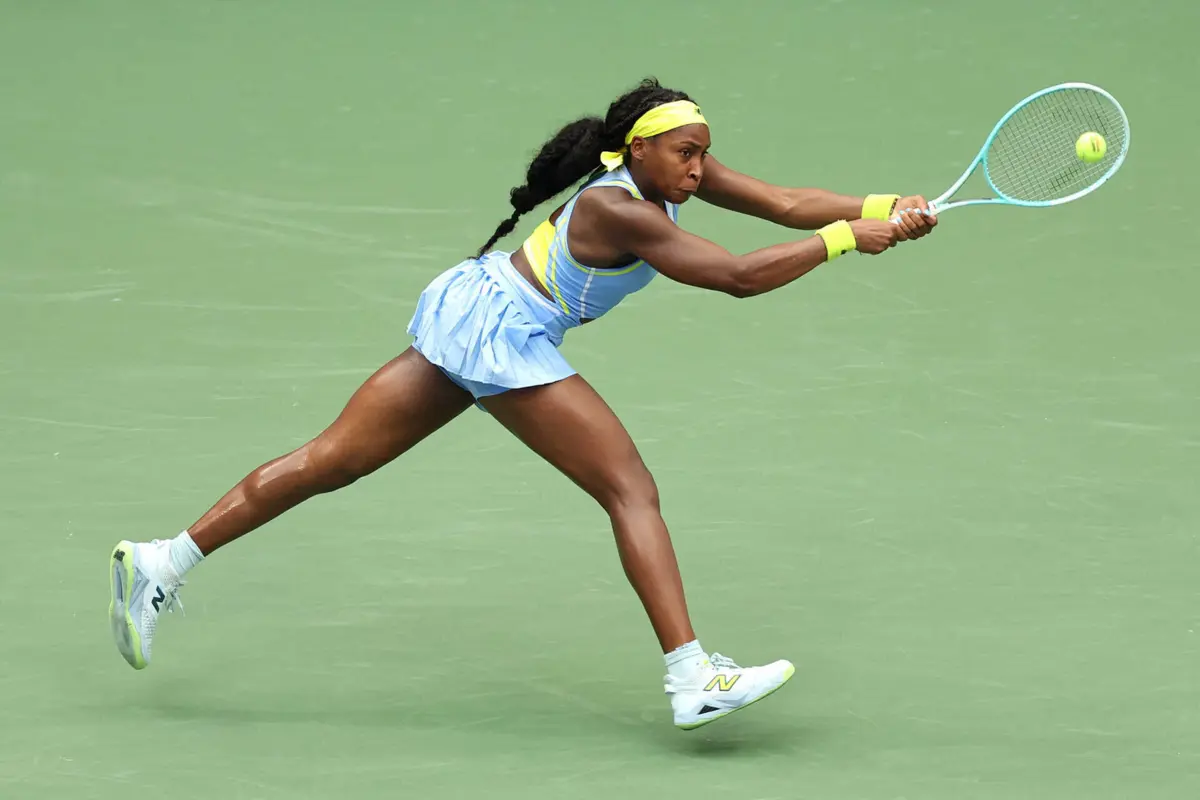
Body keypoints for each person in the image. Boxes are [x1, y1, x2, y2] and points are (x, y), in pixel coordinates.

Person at [107, 77, 936, 731]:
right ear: (637, 151)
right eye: (686, 153)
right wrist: (842, 243)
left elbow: (783, 202)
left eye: (703, 154)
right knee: (628, 488)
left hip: (480, 307)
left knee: (333, 461)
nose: (698, 168)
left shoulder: (665, 168)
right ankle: (693, 678)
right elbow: (735, 277)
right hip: (501, 333)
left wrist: (879, 208)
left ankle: (163, 560)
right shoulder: (620, 208)